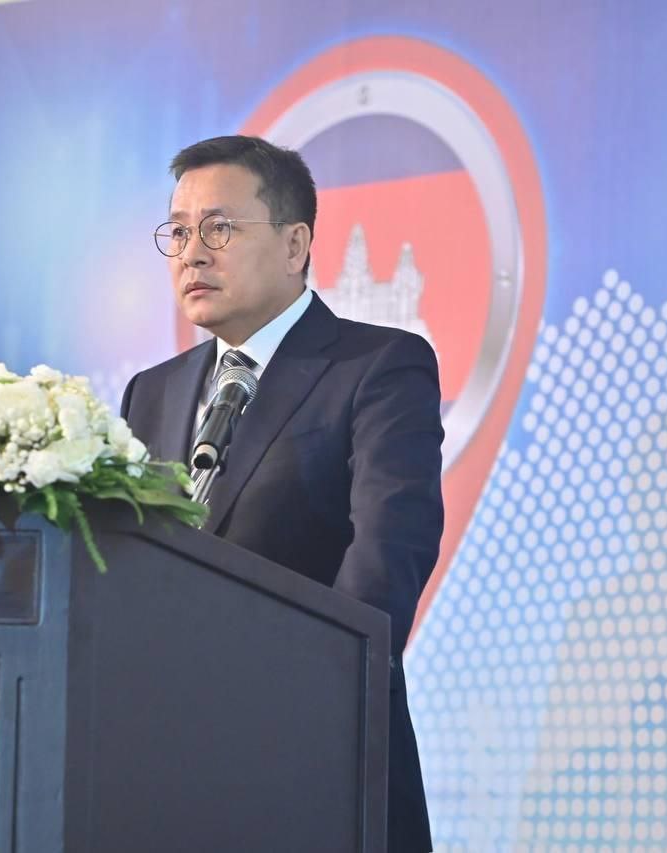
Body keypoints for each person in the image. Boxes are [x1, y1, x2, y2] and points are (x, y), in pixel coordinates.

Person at [120, 135, 443, 853]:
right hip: (164, 770)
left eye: (219, 229)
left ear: (296, 245)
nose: (192, 254)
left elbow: (387, 556)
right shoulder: (151, 393)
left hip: (318, 757)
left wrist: (305, 693)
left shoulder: (377, 367)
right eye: (179, 232)